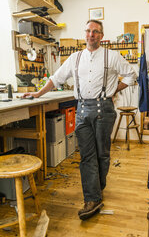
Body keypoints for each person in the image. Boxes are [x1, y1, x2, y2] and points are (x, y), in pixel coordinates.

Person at [23, 20, 137, 220]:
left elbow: (131, 76)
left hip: (105, 110)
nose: (91, 35)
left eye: (95, 32)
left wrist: (112, 90)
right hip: (82, 110)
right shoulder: (74, 58)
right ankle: (92, 198)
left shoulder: (113, 56)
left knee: (102, 154)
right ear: (84, 34)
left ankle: (97, 188)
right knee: (86, 155)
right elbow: (56, 78)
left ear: (101, 36)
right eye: (88, 31)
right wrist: (38, 94)